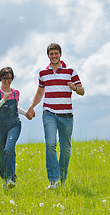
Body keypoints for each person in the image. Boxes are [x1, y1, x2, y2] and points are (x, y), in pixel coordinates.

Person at [26, 43, 85, 190]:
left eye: (56, 53)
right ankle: (53, 181)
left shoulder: (70, 71)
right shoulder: (43, 73)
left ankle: (62, 179)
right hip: (49, 113)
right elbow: (40, 93)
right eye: (51, 54)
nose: (54, 56)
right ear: (48, 56)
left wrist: (75, 88)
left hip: (66, 115)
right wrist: (32, 107)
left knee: (65, 149)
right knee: (50, 144)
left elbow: (82, 91)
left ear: (60, 54)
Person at [0, 67, 27, 190]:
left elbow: (15, 108)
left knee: (9, 148)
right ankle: (5, 180)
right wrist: (3, 100)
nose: (7, 81)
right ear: (0, 78)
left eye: (9, 78)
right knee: (1, 154)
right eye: (4, 78)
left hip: (14, 124)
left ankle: (11, 178)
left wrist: (26, 113)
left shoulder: (16, 93)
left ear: (12, 79)